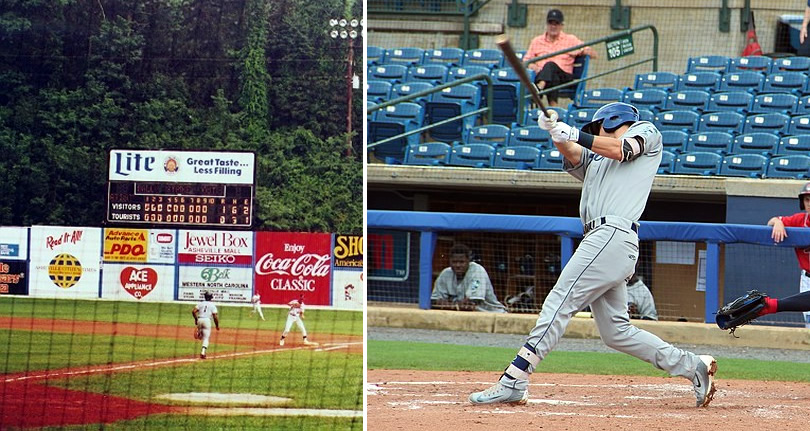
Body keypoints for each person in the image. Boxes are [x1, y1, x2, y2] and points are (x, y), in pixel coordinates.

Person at [468, 102, 717, 408]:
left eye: (596, 127)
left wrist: (572, 132)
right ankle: (694, 367)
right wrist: (555, 132)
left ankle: (514, 379)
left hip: (612, 233)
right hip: (603, 239)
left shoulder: (646, 132)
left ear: (612, 121)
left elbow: (621, 149)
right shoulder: (599, 157)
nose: (593, 133)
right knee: (616, 332)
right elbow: (575, 153)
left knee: (559, 301)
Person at [524, 9, 598, 107]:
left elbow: (594, 54)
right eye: (551, 23)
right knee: (551, 75)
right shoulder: (537, 41)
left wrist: (582, 51)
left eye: (556, 23)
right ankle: (553, 108)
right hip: (544, 75)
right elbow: (526, 61)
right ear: (546, 24)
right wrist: (534, 67)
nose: (553, 26)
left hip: (564, 77)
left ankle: (540, 87)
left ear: (561, 25)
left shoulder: (570, 40)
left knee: (550, 65)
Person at [766, 182, 810, 329]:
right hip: (807, 279)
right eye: (807, 199)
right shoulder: (799, 220)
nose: (809, 203)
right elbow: (771, 221)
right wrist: (778, 222)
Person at [430, 243, 508, 313]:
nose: (458, 265)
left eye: (461, 262)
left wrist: (449, 304)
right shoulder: (445, 273)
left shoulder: (477, 271)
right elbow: (435, 301)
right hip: (463, 316)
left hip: (492, 313)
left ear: (468, 260)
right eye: (454, 262)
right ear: (450, 261)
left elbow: (471, 303)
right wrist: (447, 304)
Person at [192, 291, 220, 359]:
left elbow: (193, 311)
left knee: (202, 335)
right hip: (207, 321)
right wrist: (217, 325)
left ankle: (200, 334)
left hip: (199, 320)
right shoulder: (212, 305)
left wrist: (196, 319)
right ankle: (203, 352)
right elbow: (215, 316)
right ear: (211, 298)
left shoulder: (200, 303)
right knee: (206, 338)